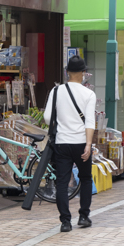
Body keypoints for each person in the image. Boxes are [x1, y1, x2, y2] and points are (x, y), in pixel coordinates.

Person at [43, 55, 97, 233]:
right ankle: (83, 216)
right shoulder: (89, 94)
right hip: (81, 143)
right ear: (83, 72)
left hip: (62, 142)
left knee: (62, 182)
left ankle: (65, 222)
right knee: (86, 178)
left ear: (67, 72)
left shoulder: (56, 91)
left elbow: (47, 118)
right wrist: (88, 145)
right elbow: (90, 122)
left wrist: (61, 123)